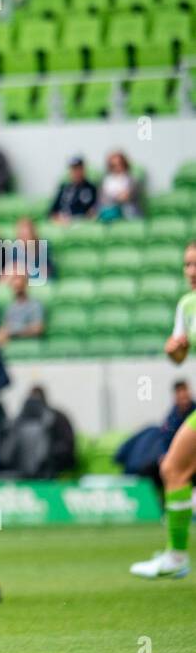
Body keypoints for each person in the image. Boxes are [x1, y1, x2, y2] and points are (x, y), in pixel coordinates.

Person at [130, 242, 196, 579]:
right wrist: (173, 351)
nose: (191, 271)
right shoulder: (186, 305)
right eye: (187, 265)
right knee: (172, 468)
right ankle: (176, 556)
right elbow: (180, 357)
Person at [49, 155, 97, 221]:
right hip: (61, 220)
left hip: (78, 221)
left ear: (83, 170)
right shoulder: (64, 188)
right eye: (73, 169)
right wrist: (58, 218)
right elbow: (53, 211)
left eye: (78, 169)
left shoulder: (91, 188)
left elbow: (91, 211)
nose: (76, 172)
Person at [98, 149, 141, 221]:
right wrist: (118, 197)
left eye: (120, 164)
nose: (117, 167)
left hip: (127, 209)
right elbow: (102, 199)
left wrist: (116, 197)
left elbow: (127, 196)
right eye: (113, 165)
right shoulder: (105, 181)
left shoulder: (131, 179)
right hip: (110, 209)